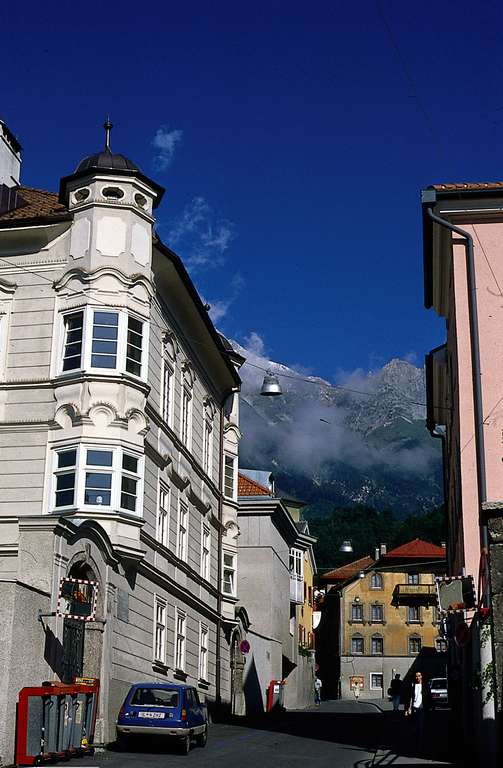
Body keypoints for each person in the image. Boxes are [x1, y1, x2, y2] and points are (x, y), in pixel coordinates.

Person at [405, 671, 430, 739]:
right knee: (414, 724)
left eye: (419, 676)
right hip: (414, 708)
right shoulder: (413, 686)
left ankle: (420, 740)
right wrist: (408, 708)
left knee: (421, 725)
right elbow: (410, 697)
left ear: (421, 676)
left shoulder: (425, 686)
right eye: (416, 676)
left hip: (422, 708)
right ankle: (416, 738)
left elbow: (429, 697)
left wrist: (431, 707)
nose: (417, 677)